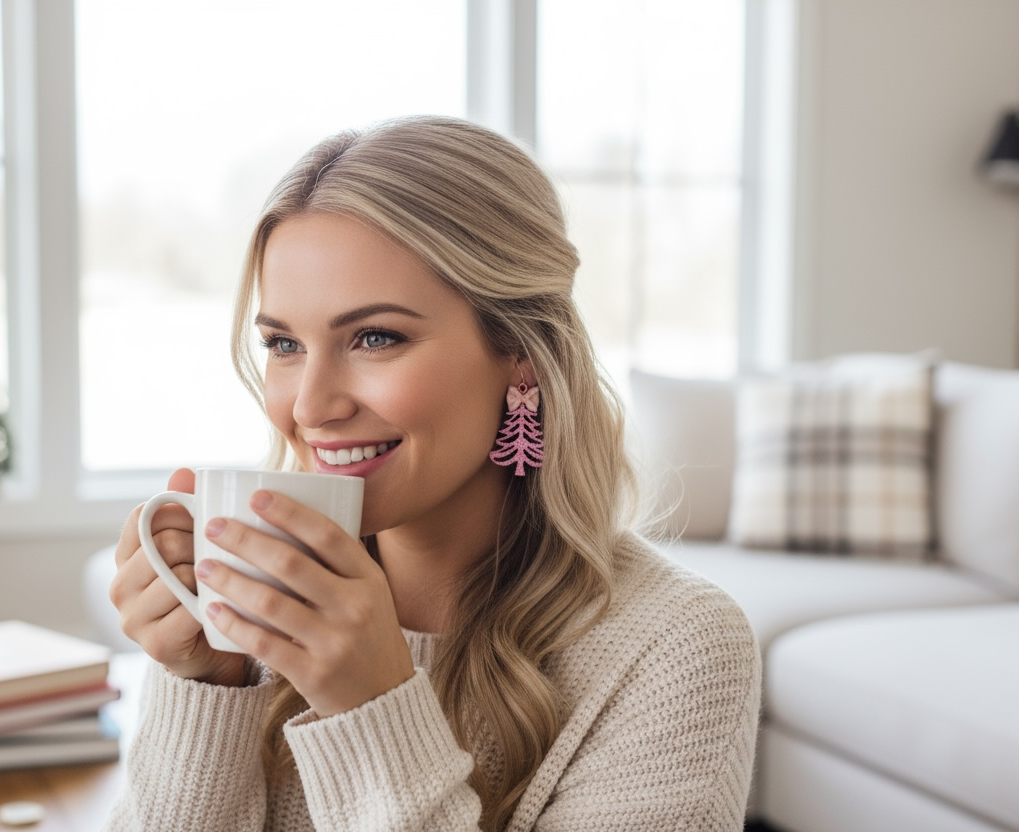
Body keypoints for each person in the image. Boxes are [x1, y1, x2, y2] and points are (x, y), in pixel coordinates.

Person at [104, 116, 761, 832]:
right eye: (284, 343)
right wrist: (205, 685)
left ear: (521, 353)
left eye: (375, 337)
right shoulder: (250, 616)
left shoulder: (678, 648)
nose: (311, 406)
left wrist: (372, 707)